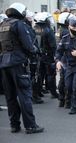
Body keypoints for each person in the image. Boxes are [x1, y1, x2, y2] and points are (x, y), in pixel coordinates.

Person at [0, 2, 44, 134]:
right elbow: (29, 45)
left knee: (11, 96)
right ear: (20, 12)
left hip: (4, 64)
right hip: (18, 63)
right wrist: (36, 50)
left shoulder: (3, 25)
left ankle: (14, 125)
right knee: (24, 94)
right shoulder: (19, 24)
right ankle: (30, 126)